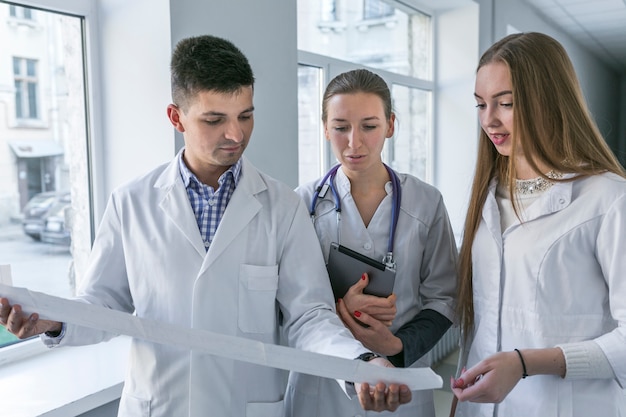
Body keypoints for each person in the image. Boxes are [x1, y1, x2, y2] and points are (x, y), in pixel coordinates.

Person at [0, 35, 412, 417]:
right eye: (214, 119)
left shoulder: (282, 206)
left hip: (245, 405)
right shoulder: (132, 203)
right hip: (160, 404)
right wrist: (53, 321)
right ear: (176, 117)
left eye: (245, 116)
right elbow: (105, 306)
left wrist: (357, 362)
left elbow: (309, 316)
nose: (235, 134)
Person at [451, 32, 626, 417]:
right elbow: (476, 311)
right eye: (481, 104)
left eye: (506, 104)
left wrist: (525, 362)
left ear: (549, 101)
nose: (488, 120)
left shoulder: (609, 200)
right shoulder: (486, 196)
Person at [285, 69, 458, 417]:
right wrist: (341, 309)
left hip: (399, 380)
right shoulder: (300, 204)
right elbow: (290, 302)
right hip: (322, 387)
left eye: (369, 125)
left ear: (390, 125)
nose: (354, 143)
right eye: (340, 127)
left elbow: (444, 298)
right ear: (324, 128)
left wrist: (396, 347)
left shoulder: (426, 202)